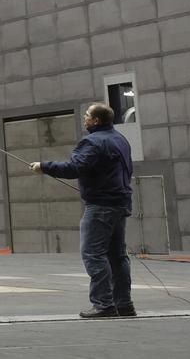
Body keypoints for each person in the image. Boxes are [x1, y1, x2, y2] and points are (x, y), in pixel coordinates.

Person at [30, 103, 134, 318]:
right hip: (120, 203)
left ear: (96, 121)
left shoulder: (92, 142)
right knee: (118, 256)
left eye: (87, 115)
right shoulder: (120, 139)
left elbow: (73, 168)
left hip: (101, 206)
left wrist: (44, 166)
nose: (84, 118)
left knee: (94, 254)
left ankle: (104, 305)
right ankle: (124, 304)